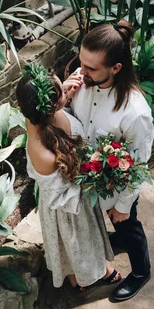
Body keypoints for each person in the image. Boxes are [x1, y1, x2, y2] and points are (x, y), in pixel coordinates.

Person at [63, 20, 154, 302]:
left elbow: (140, 164)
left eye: (91, 68)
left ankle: (141, 272)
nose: (83, 71)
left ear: (116, 68)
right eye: (82, 62)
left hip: (118, 188)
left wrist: (124, 206)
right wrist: (64, 95)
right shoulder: (83, 79)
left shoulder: (134, 112)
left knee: (128, 227)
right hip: (87, 179)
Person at [16, 63, 121, 291]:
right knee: (78, 242)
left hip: (74, 193)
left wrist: (62, 93)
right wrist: (94, 172)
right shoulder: (42, 153)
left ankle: (75, 276)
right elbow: (59, 197)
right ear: (51, 107)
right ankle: (92, 272)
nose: (67, 89)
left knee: (76, 245)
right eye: (62, 92)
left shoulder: (36, 113)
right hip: (69, 207)